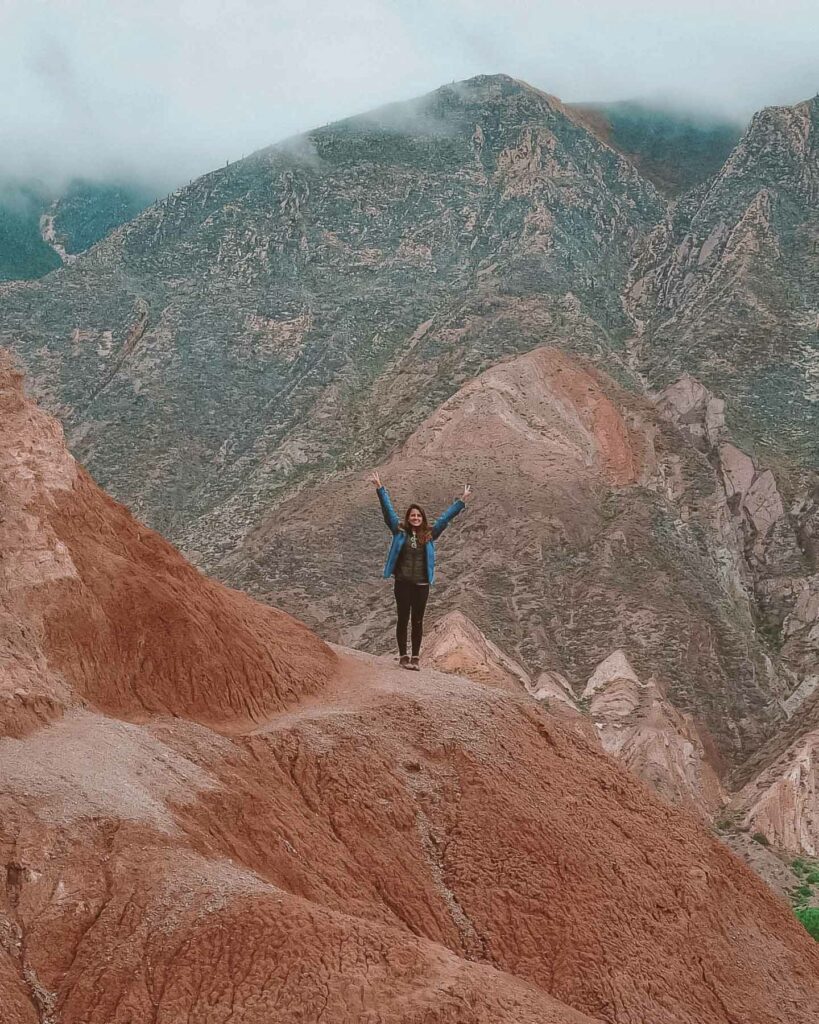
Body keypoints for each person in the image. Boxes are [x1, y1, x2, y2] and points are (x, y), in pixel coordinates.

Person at [369, 471, 471, 670]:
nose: (415, 518)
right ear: (408, 518)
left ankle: (416, 657)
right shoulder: (399, 531)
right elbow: (388, 511)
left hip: (422, 585)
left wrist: (461, 501)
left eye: (418, 515)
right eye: (412, 515)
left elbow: (444, 519)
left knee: (417, 620)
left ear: (422, 518)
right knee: (402, 619)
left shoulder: (429, 534)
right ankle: (403, 656)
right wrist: (379, 487)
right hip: (403, 583)